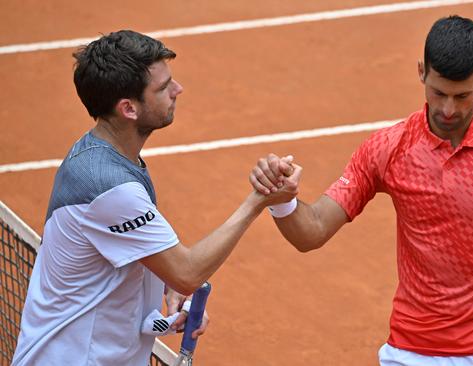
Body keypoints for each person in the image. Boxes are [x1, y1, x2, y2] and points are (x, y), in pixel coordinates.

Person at [250, 15, 473, 366]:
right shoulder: (388, 149)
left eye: (462, 96)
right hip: (411, 352)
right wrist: (283, 202)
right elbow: (314, 231)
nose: (448, 109)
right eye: (438, 92)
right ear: (421, 72)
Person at [12, 30, 299, 365]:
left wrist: (166, 284)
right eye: (163, 88)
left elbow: (146, 259)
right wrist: (258, 200)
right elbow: (187, 272)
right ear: (129, 108)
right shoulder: (109, 186)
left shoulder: (106, 156)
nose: (178, 91)